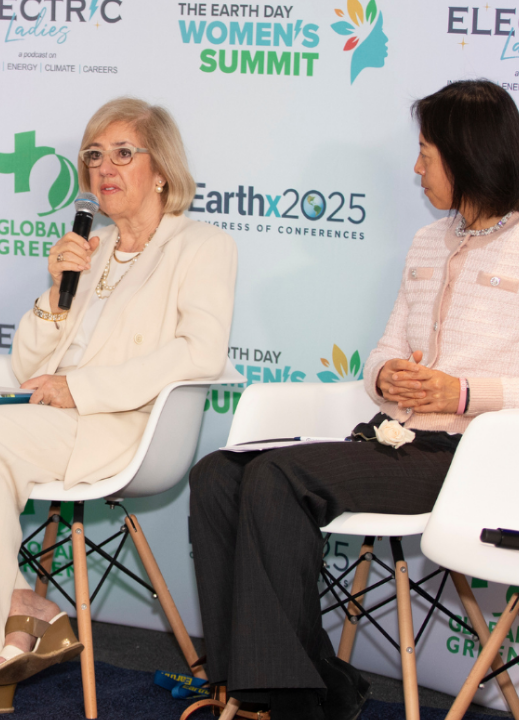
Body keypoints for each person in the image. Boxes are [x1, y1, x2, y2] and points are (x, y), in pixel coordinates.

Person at [0, 97, 237, 715]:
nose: (104, 168)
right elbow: (26, 366)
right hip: (50, 416)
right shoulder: (88, 247)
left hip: (124, 426)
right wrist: (55, 293)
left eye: (124, 153)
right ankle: (23, 606)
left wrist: (83, 391)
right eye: (94, 156)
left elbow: (198, 354)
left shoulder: (201, 245)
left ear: (162, 171)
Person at [188, 79, 519, 720]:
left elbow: (482, 392)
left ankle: (291, 701)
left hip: (472, 461)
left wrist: (464, 392)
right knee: (219, 474)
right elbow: (381, 352)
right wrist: (386, 377)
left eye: (427, 152)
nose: (416, 167)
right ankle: (290, 684)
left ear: (468, 154)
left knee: (279, 478)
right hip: (392, 440)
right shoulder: (428, 242)